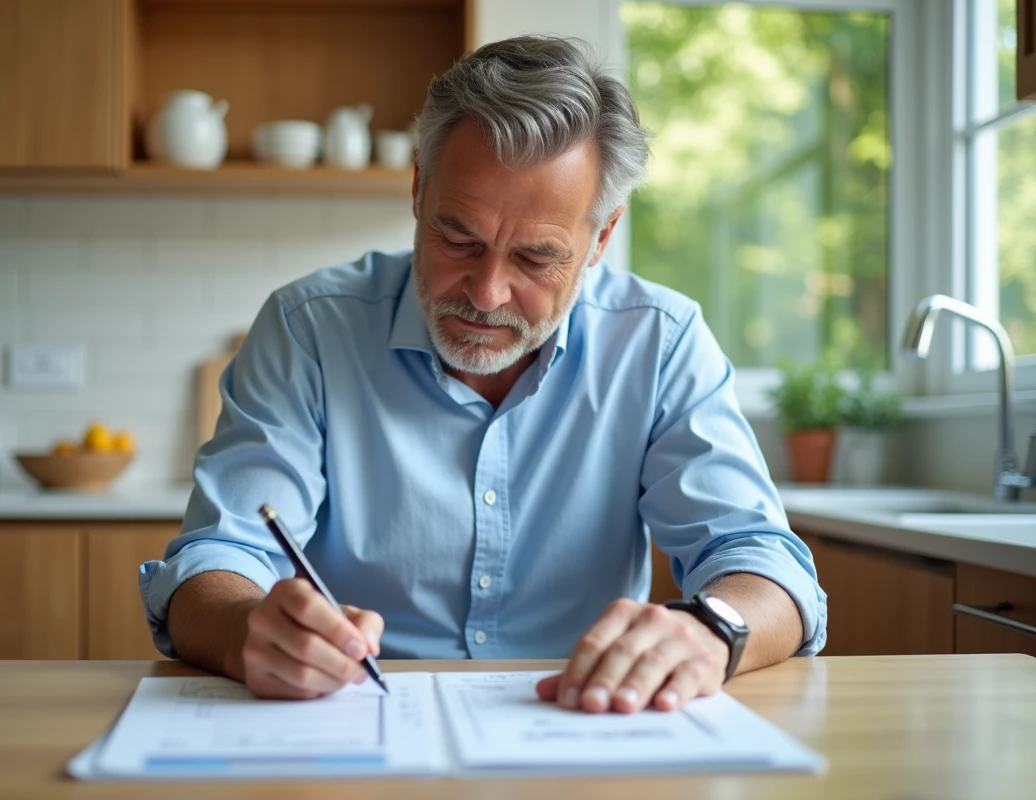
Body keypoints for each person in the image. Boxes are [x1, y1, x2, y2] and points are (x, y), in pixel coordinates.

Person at [139, 34, 826, 715]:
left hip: (585, 721)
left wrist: (710, 632)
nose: (487, 293)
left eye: (536, 258)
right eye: (459, 240)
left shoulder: (660, 343)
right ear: (418, 189)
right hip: (354, 718)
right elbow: (215, 561)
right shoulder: (309, 330)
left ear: (602, 236)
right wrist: (246, 630)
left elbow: (767, 564)